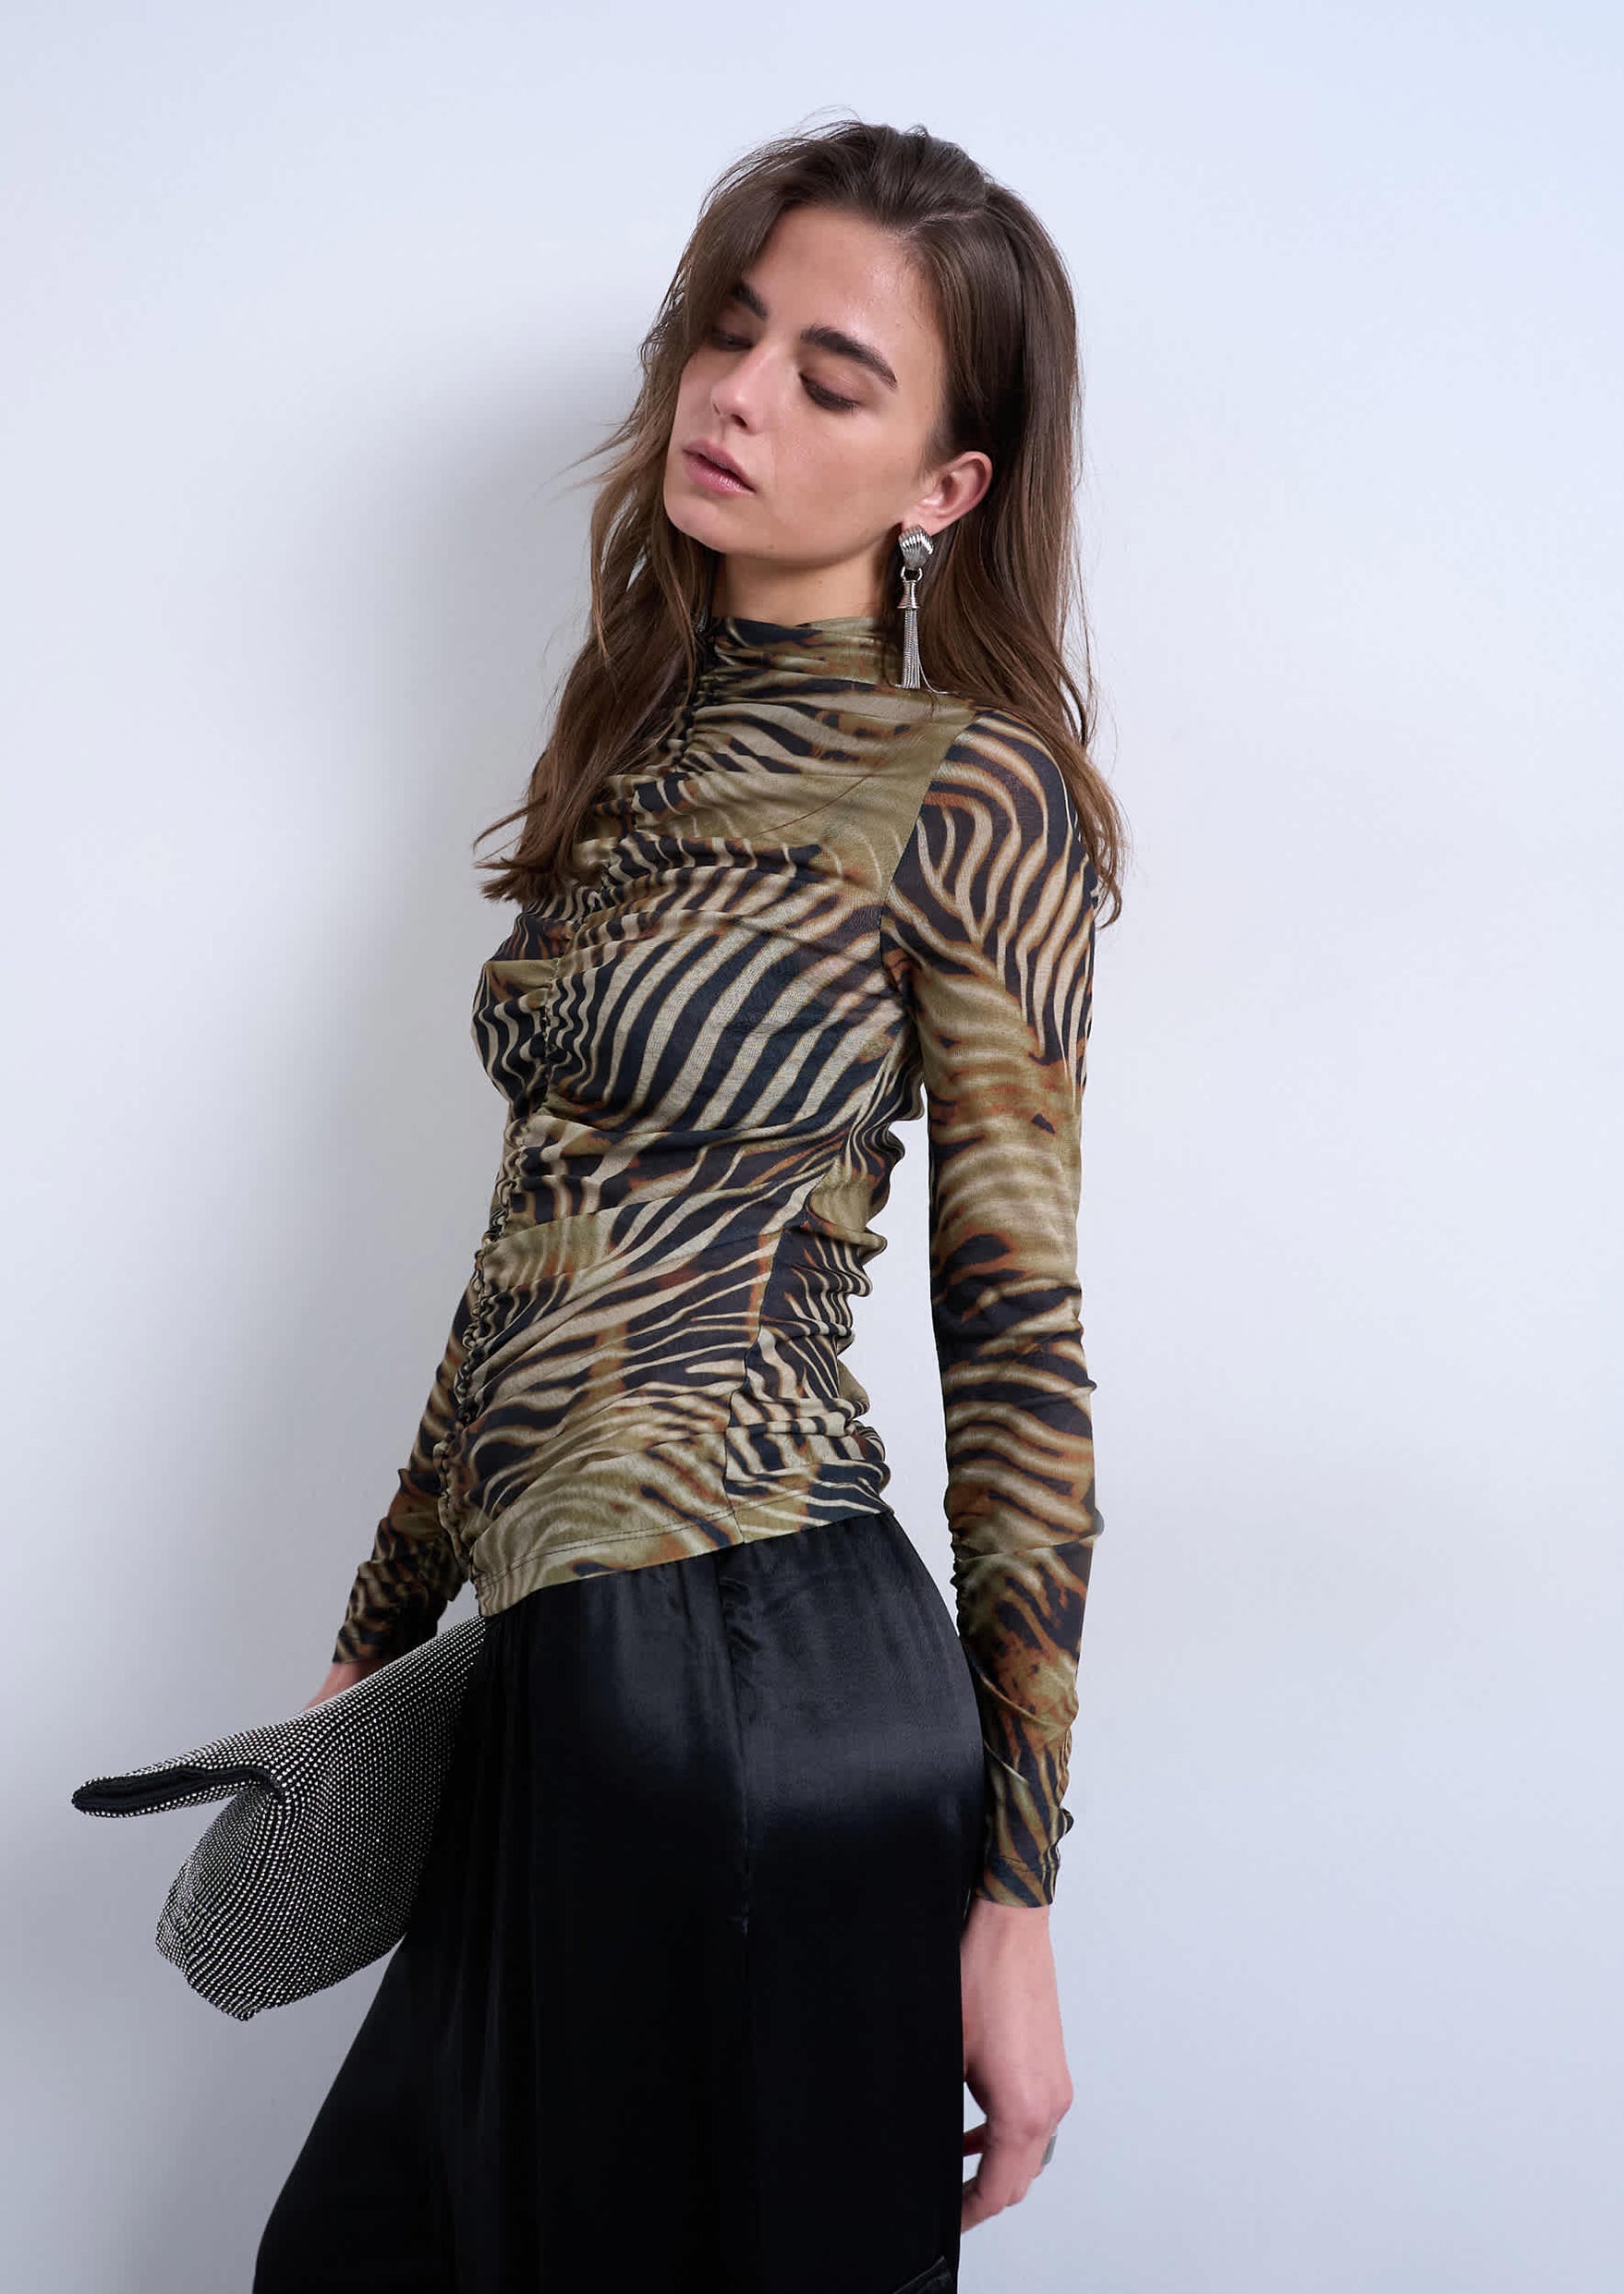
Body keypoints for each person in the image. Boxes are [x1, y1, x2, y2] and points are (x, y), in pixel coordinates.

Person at [252, 115, 1126, 2294]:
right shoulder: (635, 751)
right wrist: (381, 1634)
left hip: (758, 1671)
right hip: (564, 1672)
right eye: (729, 334)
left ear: (944, 489)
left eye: (833, 379)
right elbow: (531, 1243)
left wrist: (1016, 1901)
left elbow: (1017, 1347)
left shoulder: (972, 793)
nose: (737, 395)